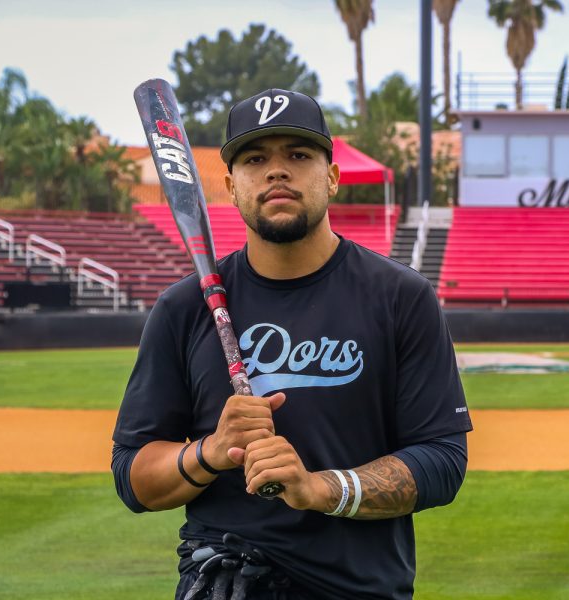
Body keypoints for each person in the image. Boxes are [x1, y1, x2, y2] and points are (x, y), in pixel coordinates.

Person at [112, 88, 473, 600]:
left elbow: (442, 461)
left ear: (332, 176)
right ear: (231, 186)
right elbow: (133, 478)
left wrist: (320, 488)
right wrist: (211, 451)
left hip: (356, 589)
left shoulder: (399, 297)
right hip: (227, 580)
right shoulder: (182, 308)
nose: (277, 171)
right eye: (255, 159)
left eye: (299, 155)